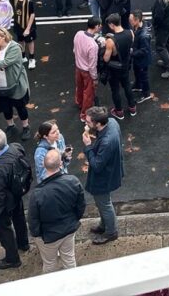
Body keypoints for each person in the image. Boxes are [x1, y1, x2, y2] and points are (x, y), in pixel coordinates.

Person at [28, 148, 85, 273]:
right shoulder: (73, 181)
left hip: (48, 236)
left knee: (49, 263)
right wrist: (74, 219)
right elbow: (81, 206)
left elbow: (33, 220)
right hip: (69, 229)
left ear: (43, 164)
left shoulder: (37, 194)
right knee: (69, 258)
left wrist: (38, 235)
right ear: (60, 164)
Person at [0, 128, 31, 270]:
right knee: (19, 219)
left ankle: (12, 258)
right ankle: (23, 243)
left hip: (6, 202)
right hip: (17, 193)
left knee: (3, 229)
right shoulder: (16, 148)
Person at [82, 106, 124, 245]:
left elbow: (97, 165)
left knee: (105, 204)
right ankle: (104, 224)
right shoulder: (111, 122)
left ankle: (111, 232)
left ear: (98, 123)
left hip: (103, 177)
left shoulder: (106, 142)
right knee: (103, 202)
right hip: (112, 169)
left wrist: (88, 146)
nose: (85, 124)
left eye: (88, 122)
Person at [0, 26, 32, 141]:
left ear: (4, 37)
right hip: (0, 86)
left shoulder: (15, 48)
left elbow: (5, 62)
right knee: (5, 108)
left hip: (15, 85)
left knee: (20, 107)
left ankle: (26, 127)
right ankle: (11, 126)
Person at [103, 13, 137, 120]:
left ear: (112, 25)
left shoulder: (110, 41)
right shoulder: (130, 33)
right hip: (126, 65)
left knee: (115, 89)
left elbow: (106, 59)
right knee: (127, 85)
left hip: (114, 68)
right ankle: (132, 107)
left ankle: (119, 111)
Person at [73, 18, 103, 120]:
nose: (100, 27)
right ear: (96, 26)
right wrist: (95, 78)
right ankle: (84, 115)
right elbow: (92, 64)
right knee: (88, 94)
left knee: (80, 87)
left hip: (78, 67)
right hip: (87, 72)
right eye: (100, 25)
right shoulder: (93, 45)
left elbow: (74, 50)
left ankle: (79, 102)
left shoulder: (79, 34)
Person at [11, 0, 36, 68]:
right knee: (20, 40)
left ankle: (32, 59)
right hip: (18, 24)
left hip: (27, 25)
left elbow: (32, 15)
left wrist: (28, 28)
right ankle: (23, 56)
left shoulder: (29, 0)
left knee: (30, 41)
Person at [130, 10, 153, 104]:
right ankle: (138, 85)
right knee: (136, 71)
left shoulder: (143, 36)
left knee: (143, 76)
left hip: (142, 60)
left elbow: (144, 50)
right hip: (138, 58)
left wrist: (131, 53)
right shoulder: (141, 25)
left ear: (137, 20)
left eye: (131, 20)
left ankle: (146, 93)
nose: (129, 22)